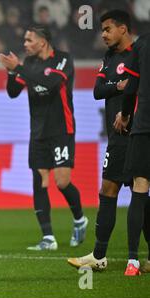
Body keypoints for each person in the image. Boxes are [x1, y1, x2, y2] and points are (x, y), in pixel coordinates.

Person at [0, 24, 88, 250]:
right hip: (38, 132)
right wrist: (12, 72)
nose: (25, 45)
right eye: (25, 41)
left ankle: (79, 219)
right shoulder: (30, 64)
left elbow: (50, 82)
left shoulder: (63, 60)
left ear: (43, 41)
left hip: (61, 130)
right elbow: (12, 92)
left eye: (29, 40)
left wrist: (18, 67)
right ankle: (48, 237)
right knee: (40, 182)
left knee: (62, 182)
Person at [67, 10, 135, 271]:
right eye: (102, 30)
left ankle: (130, 256)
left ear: (123, 29)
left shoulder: (138, 55)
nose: (103, 34)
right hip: (116, 138)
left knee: (139, 193)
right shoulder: (108, 58)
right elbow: (97, 91)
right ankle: (99, 255)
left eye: (107, 29)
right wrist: (119, 86)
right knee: (109, 190)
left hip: (137, 136)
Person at [113, 32, 150, 276]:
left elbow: (130, 87)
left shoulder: (143, 43)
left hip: (145, 126)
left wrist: (125, 115)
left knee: (139, 187)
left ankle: (132, 262)